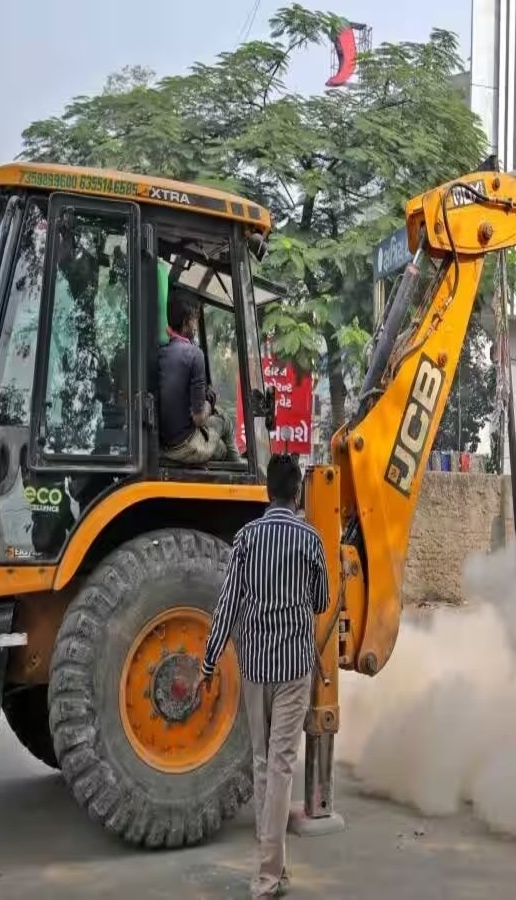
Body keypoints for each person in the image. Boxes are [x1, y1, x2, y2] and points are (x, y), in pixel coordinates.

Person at [200, 453, 329, 899]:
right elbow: (321, 599)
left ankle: (274, 867)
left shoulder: (245, 539)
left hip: (254, 668)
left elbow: (228, 604)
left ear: (265, 491)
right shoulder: (309, 539)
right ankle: (267, 878)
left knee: (262, 764)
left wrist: (209, 660)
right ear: (297, 493)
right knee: (280, 767)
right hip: (294, 669)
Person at [158, 292, 240, 464]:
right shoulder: (195, 355)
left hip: (165, 444)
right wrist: (209, 403)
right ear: (187, 322)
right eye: (195, 321)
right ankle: (241, 472)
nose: (195, 327)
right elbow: (199, 418)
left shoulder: (161, 353)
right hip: (185, 447)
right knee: (225, 423)